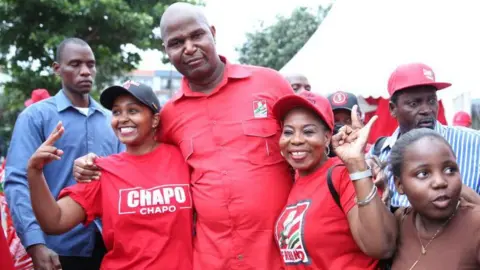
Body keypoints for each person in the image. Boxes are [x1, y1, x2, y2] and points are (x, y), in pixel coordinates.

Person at [73, 3, 295, 269]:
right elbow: (143, 165)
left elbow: (313, 150)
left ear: (212, 33)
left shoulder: (270, 84)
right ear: (167, 51)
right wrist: (92, 167)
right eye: (177, 42)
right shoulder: (169, 116)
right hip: (212, 259)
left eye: (197, 35)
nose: (189, 48)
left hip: (282, 253)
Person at [27, 81, 193, 269]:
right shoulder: (102, 170)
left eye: (133, 111)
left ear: (155, 120)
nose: (122, 119)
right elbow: (54, 222)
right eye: (116, 112)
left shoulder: (183, 159)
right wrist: (35, 172)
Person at [4, 37, 123, 270]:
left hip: (109, 249)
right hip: (57, 250)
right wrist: (34, 243)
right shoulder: (35, 118)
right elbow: (17, 181)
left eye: (91, 64)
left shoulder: (112, 121)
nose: (86, 71)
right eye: (76, 64)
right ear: (57, 69)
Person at [272, 91, 397, 269]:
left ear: (327, 137)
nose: (296, 140)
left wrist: (356, 164)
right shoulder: (292, 180)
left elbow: (381, 246)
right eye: (288, 132)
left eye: (308, 131)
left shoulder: (342, 174)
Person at [370, 62, 480, 211]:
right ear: (393, 109)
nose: (426, 110)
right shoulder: (379, 155)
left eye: (431, 101)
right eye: (414, 103)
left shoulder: (474, 144)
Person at [389, 128, 480, 269]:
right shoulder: (400, 221)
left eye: (450, 170)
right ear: (399, 185)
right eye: (423, 174)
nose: (440, 182)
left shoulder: (476, 224)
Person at [327, 90, 373, 156]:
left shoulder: (372, 153)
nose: (342, 127)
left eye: (348, 120)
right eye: (335, 121)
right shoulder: (318, 157)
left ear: (360, 121)